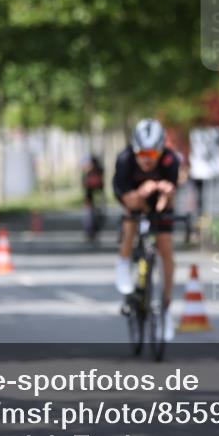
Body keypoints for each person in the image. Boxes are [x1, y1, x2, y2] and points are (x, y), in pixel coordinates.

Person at [112, 119, 179, 311]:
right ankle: (124, 264)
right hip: (132, 195)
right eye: (142, 153)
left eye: (153, 154)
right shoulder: (125, 160)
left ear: (161, 151)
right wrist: (142, 192)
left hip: (159, 199)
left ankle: (166, 299)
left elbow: (167, 202)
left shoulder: (170, 160)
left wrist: (166, 194)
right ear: (134, 150)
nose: (147, 159)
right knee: (131, 219)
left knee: (165, 244)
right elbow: (129, 200)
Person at [81, 154, 105, 242]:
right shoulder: (87, 173)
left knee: (96, 217)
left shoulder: (98, 172)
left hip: (97, 198)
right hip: (90, 199)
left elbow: (101, 186)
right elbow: (85, 186)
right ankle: (90, 232)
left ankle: (94, 231)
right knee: (89, 217)